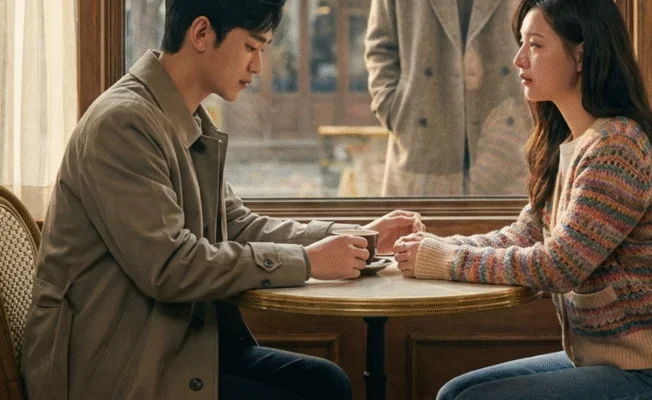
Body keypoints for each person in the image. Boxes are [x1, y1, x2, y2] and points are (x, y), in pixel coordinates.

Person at [21, 1, 424, 399]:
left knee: (325, 382)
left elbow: (238, 224)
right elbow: (170, 266)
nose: (258, 66)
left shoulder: (184, 117)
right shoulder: (124, 124)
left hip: (169, 347)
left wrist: (356, 236)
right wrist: (307, 261)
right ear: (201, 33)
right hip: (114, 369)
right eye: (250, 47)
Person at [393, 0, 652, 399]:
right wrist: (434, 247)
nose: (519, 59)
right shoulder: (572, 141)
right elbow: (525, 235)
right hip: (606, 362)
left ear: (580, 56)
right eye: (521, 43)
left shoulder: (617, 148)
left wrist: (445, 259)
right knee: (456, 392)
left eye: (536, 45)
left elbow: (558, 265)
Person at [365, 0, 532, 197]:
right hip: (421, 142)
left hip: (508, 135)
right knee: (417, 217)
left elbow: (550, 32)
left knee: (513, 215)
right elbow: (380, 48)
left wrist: (537, 114)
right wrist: (397, 112)